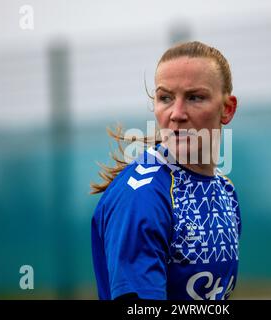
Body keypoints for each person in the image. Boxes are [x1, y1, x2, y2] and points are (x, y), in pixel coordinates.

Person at [90, 41, 242, 300]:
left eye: (195, 97)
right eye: (165, 98)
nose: (177, 113)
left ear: (227, 109)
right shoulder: (142, 197)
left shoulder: (225, 190)